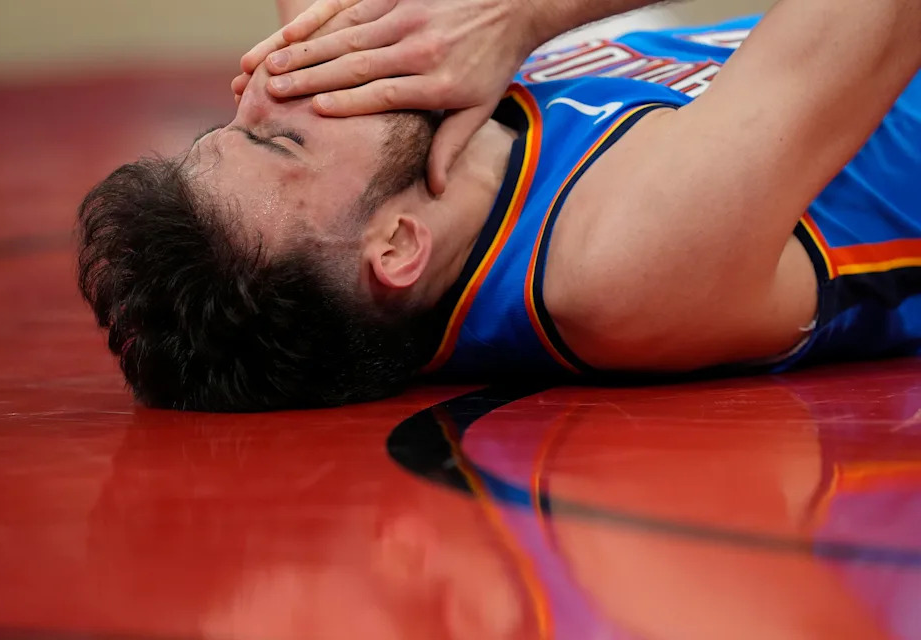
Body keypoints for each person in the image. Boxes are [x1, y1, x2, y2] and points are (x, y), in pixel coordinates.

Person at [76, 0, 921, 411]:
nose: (263, 90)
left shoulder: (384, 112)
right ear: (399, 246)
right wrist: (529, 12)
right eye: (275, 141)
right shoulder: (617, 261)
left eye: (228, 122)